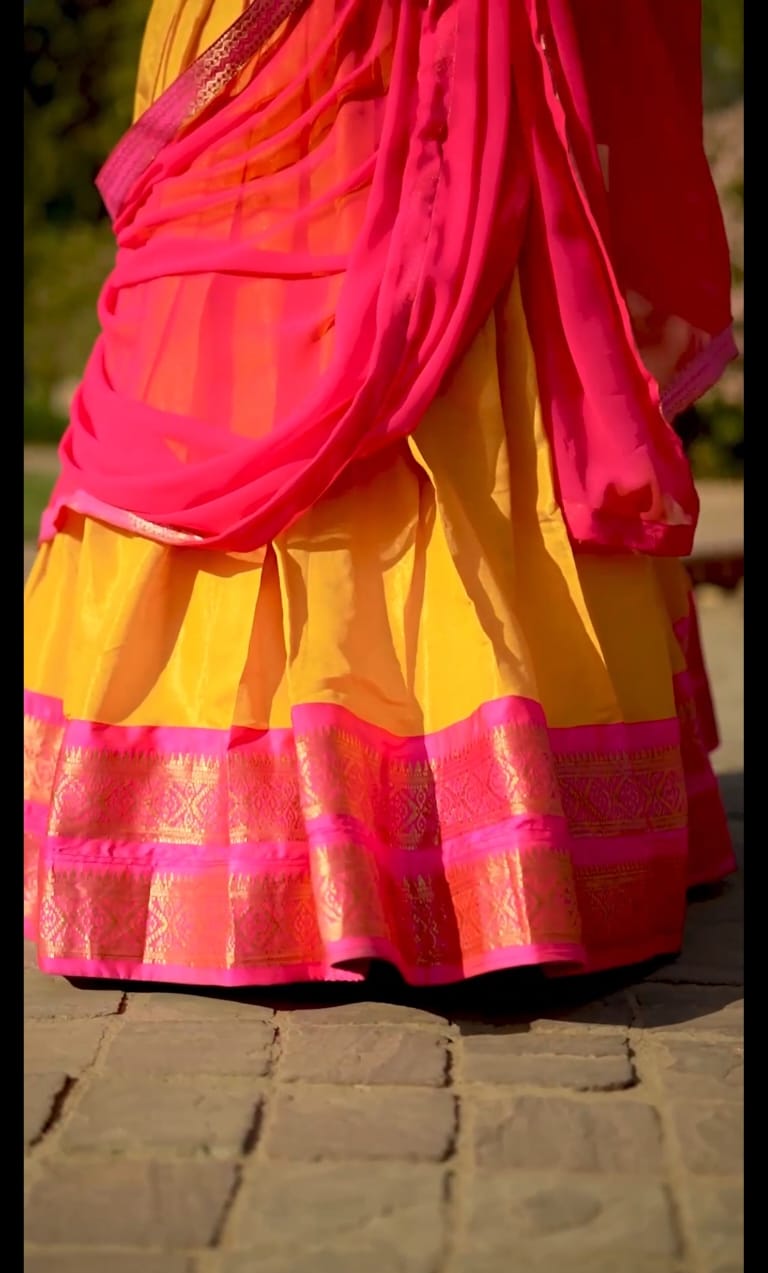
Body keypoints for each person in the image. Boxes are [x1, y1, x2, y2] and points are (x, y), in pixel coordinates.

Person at [24, 0, 738, 988]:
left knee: (417, 314)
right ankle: (455, 846)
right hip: (308, 44)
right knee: (280, 307)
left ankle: (427, 852)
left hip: (457, 49)